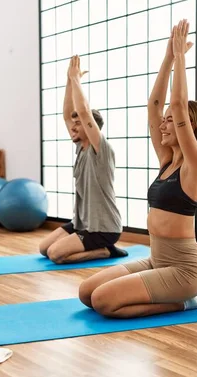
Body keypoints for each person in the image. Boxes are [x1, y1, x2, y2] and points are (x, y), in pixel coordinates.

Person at [78, 19, 197, 318]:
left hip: (183, 269)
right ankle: (175, 297)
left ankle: (186, 301)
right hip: (156, 260)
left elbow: (177, 105)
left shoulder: (195, 166)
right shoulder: (167, 160)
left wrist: (181, 59)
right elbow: (154, 105)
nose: (163, 124)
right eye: (165, 120)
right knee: (87, 292)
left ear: (188, 127)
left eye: (171, 121)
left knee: (104, 302)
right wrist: (167, 57)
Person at [39, 55, 128, 264]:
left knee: (56, 255)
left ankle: (105, 251)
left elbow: (84, 112)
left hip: (103, 227)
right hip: (82, 223)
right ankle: (94, 245)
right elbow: (67, 114)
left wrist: (76, 80)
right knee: (44, 248)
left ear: (91, 128)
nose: (73, 127)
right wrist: (70, 81)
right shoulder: (81, 148)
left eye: (78, 124)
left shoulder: (101, 150)